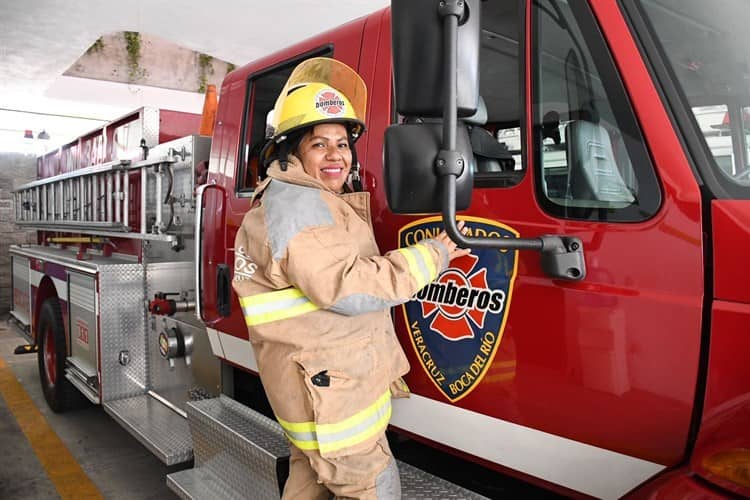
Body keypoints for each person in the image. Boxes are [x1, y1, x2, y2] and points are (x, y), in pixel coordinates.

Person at [232, 57, 470, 499]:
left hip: (315, 388)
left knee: (309, 480)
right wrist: (434, 254)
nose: (335, 155)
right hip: (330, 396)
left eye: (342, 144)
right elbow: (352, 288)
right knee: (373, 486)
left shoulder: (299, 199)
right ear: (291, 151)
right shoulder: (302, 209)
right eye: (319, 144)